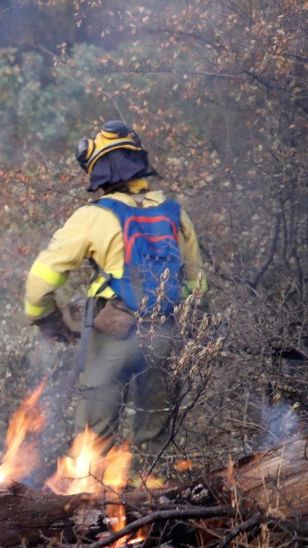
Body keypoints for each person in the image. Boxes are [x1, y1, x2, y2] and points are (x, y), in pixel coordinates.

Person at [24, 121, 206, 463]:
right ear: (138, 161)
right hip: (165, 336)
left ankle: (96, 510)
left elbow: (39, 281)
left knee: (93, 445)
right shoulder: (176, 214)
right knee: (156, 448)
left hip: (113, 336)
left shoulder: (93, 217)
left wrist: (46, 319)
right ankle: (154, 511)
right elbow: (197, 286)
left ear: (97, 170)